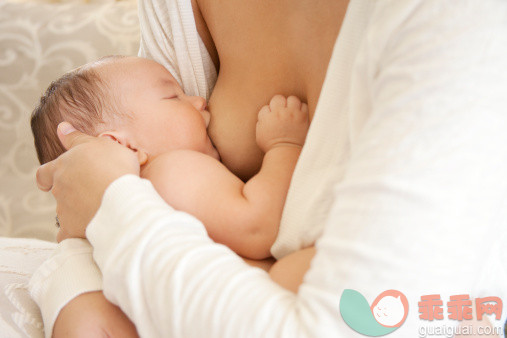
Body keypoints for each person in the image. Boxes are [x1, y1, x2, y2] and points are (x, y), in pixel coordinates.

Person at [31, 0, 507, 337]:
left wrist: (110, 202)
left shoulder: (454, 18)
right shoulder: (173, 161)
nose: (200, 103)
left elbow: (357, 325)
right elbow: (256, 224)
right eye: (175, 96)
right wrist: (283, 146)